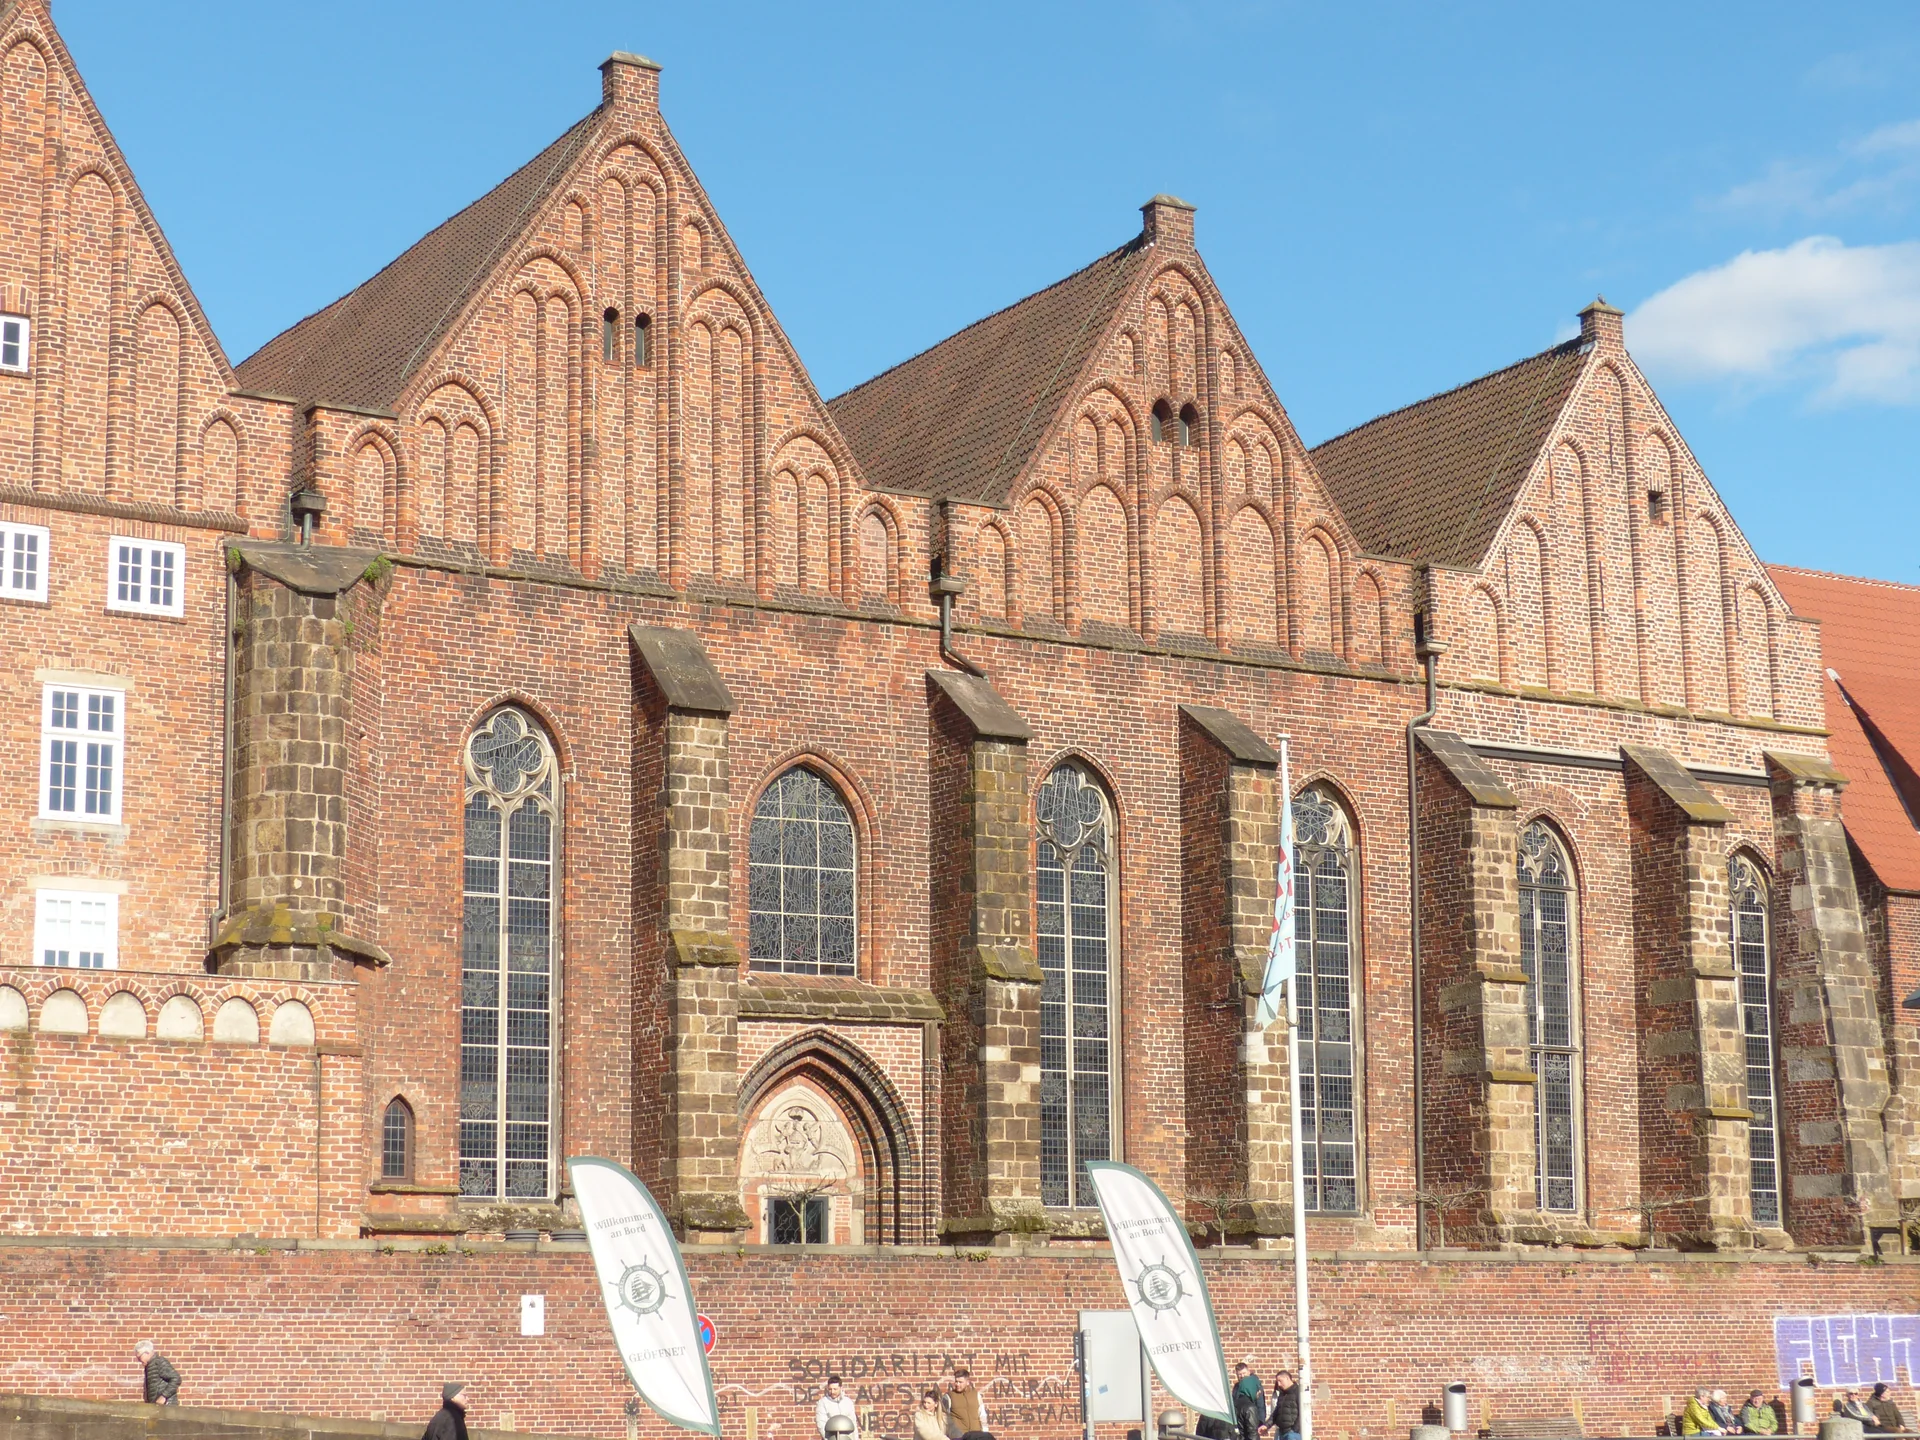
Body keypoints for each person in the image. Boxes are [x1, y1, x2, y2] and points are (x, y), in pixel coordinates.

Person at [943, 1366, 992, 1440]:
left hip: (976, 1434)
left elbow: (982, 1414)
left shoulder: (976, 1395)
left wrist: (985, 1431)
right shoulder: (948, 1396)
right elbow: (944, 1417)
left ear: (967, 1382)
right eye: (956, 1381)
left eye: (960, 1382)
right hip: (959, 1436)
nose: (958, 1384)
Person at [133, 1342, 180, 1406]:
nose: (138, 1360)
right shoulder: (150, 1365)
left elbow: (176, 1378)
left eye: (139, 1357)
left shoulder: (159, 1362)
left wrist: (163, 1396)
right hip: (157, 1406)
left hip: (167, 1406)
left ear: (147, 1353)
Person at [1234, 1360, 1267, 1440]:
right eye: (1239, 1374)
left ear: (1248, 1372)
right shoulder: (1237, 1387)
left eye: (1244, 1373)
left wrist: (1260, 1422)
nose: (1242, 1376)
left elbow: (1260, 1405)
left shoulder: (1254, 1385)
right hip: (1240, 1419)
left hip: (1252, 1419)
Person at [1265, 1370, 1301, 1440]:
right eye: (1277, 1381)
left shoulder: (1298, 1392)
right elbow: (1276, 1412)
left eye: (1280, 1381)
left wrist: (1294, 1430)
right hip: (1281, 1432)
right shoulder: (1282, 1394)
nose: (1279, 1384)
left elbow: (1302, 1412)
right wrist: (1267, 1425)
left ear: (1287, 1378)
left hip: (1292, 1433)